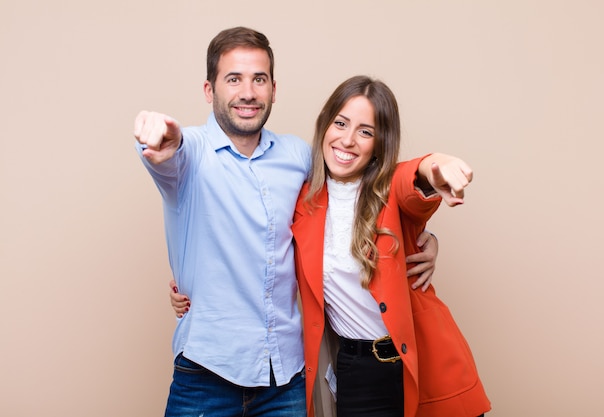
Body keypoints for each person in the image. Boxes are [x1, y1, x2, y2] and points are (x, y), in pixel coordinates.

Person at [134, 27, 440, 417]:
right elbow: (166, 150)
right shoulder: (190, 153)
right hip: (206, 373)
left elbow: (363, 195)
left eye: (258, 79)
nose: (247, 92)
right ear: (209, 90)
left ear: (273, 89)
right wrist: (158, 136)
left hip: (285, 380)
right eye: (234, 79)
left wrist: (422, 237)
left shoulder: (298, 156)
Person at [290, 76, 491, 416]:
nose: (348, 139)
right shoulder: (300, 202)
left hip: (428, 361)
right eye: (340, 123)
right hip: (358, 372)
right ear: (325, 124)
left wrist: (436, 167)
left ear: (380, 144)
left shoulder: (391, 188)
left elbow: (416, 179)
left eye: (365, 131)